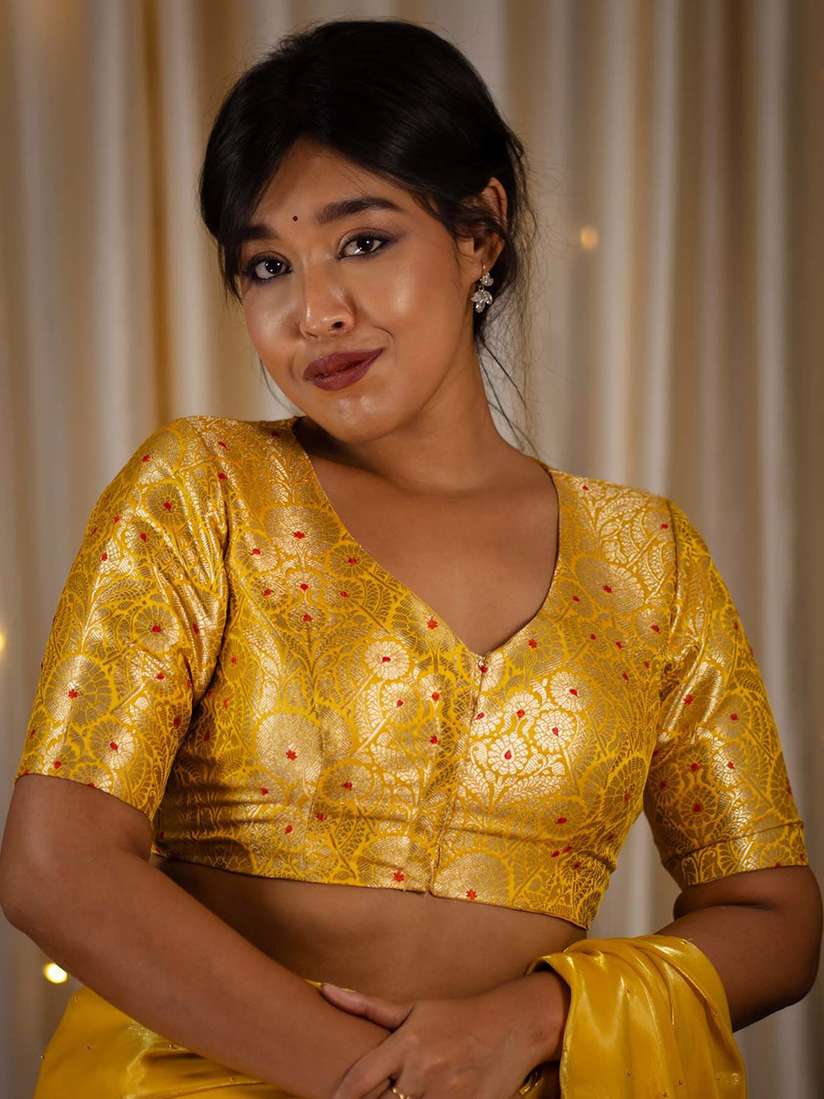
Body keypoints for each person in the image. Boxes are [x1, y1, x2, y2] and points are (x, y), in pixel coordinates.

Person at [1, 16, 820, 1099]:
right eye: (266, 266)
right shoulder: (203, 491)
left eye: (363, 242)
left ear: (480, 231)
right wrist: (384, 1084)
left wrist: (534, 1019)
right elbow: (56, 865)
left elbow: (773, 918)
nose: (315, 312)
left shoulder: (646, 561)